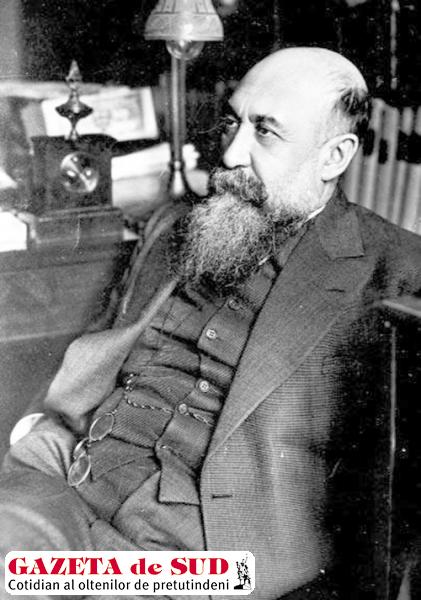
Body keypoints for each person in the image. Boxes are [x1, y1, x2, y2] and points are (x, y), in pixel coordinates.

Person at [1, 46, 421, 600]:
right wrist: (36, 430)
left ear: (334, 156)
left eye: (265, 132)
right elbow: (101, 340)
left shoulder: (395, 270)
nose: (231, 152)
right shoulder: (176, 223)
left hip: (205, 553)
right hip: (63, 475)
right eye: (233, 122)